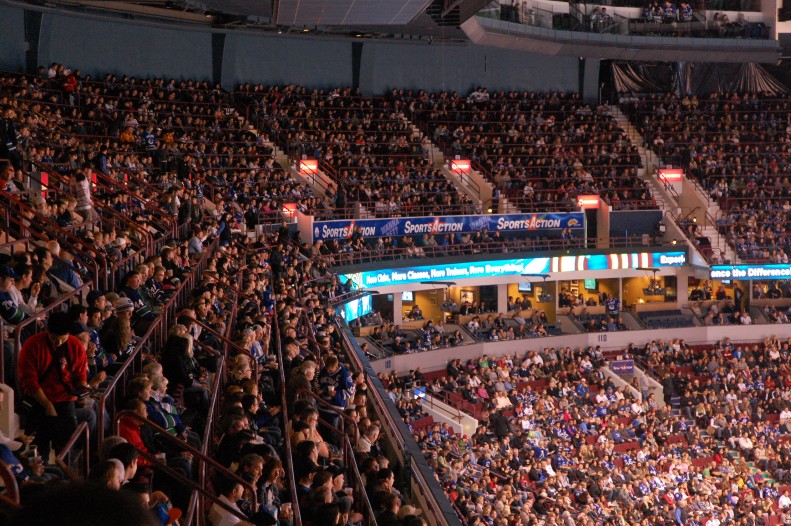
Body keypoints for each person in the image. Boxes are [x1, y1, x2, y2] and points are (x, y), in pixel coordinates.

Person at [17, 311, 89, 460]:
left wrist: (82, 390)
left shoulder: (76, 346)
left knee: (66, 451)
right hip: (38, 402)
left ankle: (64, 479)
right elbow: (29, 381)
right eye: (54, 339)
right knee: (38, 451)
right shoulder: (32, 345)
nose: (58, 343)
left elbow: (80, 374)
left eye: (63, 340)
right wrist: (47, 405)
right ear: (47, 332)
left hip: (66, 401)